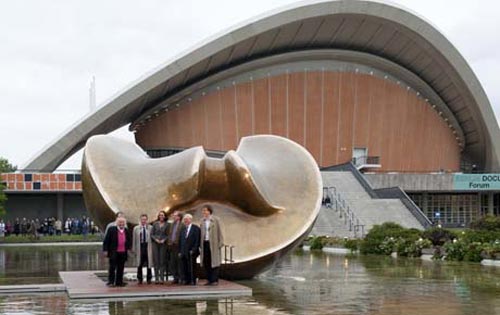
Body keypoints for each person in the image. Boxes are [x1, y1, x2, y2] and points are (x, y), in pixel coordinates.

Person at [102, 217, 132, 287]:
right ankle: (111, 282)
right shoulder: (111, 230)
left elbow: (129, 240)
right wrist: (105, 250)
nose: (121, 224)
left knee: (121, 267)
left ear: (125, 223)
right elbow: (106, 241)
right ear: (117, 223)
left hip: (123, 252)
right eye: (120, 222)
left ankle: (119, 282)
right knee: (112, 267)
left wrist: (129, 248)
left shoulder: (126, 230)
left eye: (123, 222)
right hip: (113, 252)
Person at [200, 205, 224, 286]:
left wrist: (220, 242)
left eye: (205, 210)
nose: (204, 212)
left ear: (209, 211)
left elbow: (219, 231)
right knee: (206, 262)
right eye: (203, 211)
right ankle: (209, 279)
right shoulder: (202, 221)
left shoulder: (215, 220)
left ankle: (214, 280)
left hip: (213, 243)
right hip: (205, 243)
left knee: (214, 262)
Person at [179, 213, 200, 285]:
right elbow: (181, 240)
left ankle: (193, 280)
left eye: (187, 219)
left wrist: (194, 249)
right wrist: (180, 251)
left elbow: (197, 240)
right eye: (185, 219)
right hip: (184, 251)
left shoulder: (195, 228)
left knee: (192, 266)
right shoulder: (183, 229)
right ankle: (186, 280)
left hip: (192, 251)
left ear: (190, 220)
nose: (186, 221)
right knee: (184, 266)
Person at [132, 214, 153, 284]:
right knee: (139, 263)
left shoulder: (150, 228)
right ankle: (140, 278)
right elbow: (134, 239)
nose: (143, 221)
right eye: (142, 219)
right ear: (140, 220)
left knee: (148, 262)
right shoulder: (136, 228)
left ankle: (149, 278)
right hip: (140, 246)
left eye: (145, 219)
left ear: (147, 220)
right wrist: (133, 249)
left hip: (148, 246)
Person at [151, 210, 168, 284]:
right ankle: (156, 278)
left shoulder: (167, 224)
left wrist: (164, 240)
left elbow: (168, 234)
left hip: (163, 244)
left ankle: (162, 278)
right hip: (155, 244)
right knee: (156, 261)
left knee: (162, 261)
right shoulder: (155, 224)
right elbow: (152, 234)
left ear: (165, 216)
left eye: (163, 215)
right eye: (160, 215)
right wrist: (156, 239)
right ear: (158, 216)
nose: (161, 216)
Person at [166, 211, 183, 284]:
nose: (173, 217)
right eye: (173, 215)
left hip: (178, 245)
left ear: (179, 217)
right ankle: (175, 277)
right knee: (173, 262)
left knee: (179, 263)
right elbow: (169, 234)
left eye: (175, 216)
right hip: (171, 246)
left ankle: (180, 278)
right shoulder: (171, 225)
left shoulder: (182, 225)